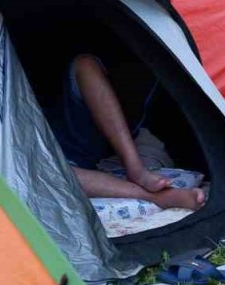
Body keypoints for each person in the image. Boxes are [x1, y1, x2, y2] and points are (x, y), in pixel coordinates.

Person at [46, 54, 206, 211]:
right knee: (46, 170)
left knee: (85, 64)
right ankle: (157, 197)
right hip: (55, 158)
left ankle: (135, 169)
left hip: (89, 138)